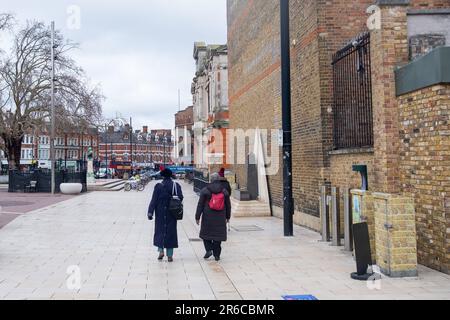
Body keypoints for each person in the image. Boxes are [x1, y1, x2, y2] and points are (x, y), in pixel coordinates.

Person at [148, 168, 183, 262]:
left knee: (160, 231)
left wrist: (150, 212)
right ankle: (170, 255)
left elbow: (154, 200)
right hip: (172, 212)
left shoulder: (158, 186)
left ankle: (161, 252)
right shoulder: (176, 185)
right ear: (171, 175)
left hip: (160, 212)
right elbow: (181, 197)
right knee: (170, 233)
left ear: (162, 176)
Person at [196, 173, 231, 261]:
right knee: (218, 236)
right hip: (220, 216)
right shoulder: (224, 191)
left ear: (210, 180)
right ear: (218, 179)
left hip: (208, 216)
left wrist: (197, 216)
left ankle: (208, 249)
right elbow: (228, 205)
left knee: (205, 234)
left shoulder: (205, 190)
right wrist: (228, 217)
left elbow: (200, 204)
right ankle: (217, 255)